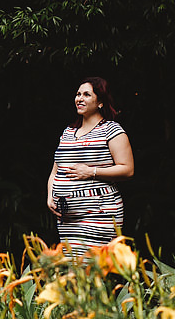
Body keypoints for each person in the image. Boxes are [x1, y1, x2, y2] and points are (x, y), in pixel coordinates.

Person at [46, 76, 134, 255]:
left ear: (100, 101)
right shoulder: (68, 132)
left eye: (86, 94)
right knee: (74, 267)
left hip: (99, 212)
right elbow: (56, 170)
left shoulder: (112, 130)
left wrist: (91, 171)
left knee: (91, 269)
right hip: (67, 218)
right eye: (78, 94)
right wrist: (50, 196)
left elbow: (127, 169)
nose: (79, 98)